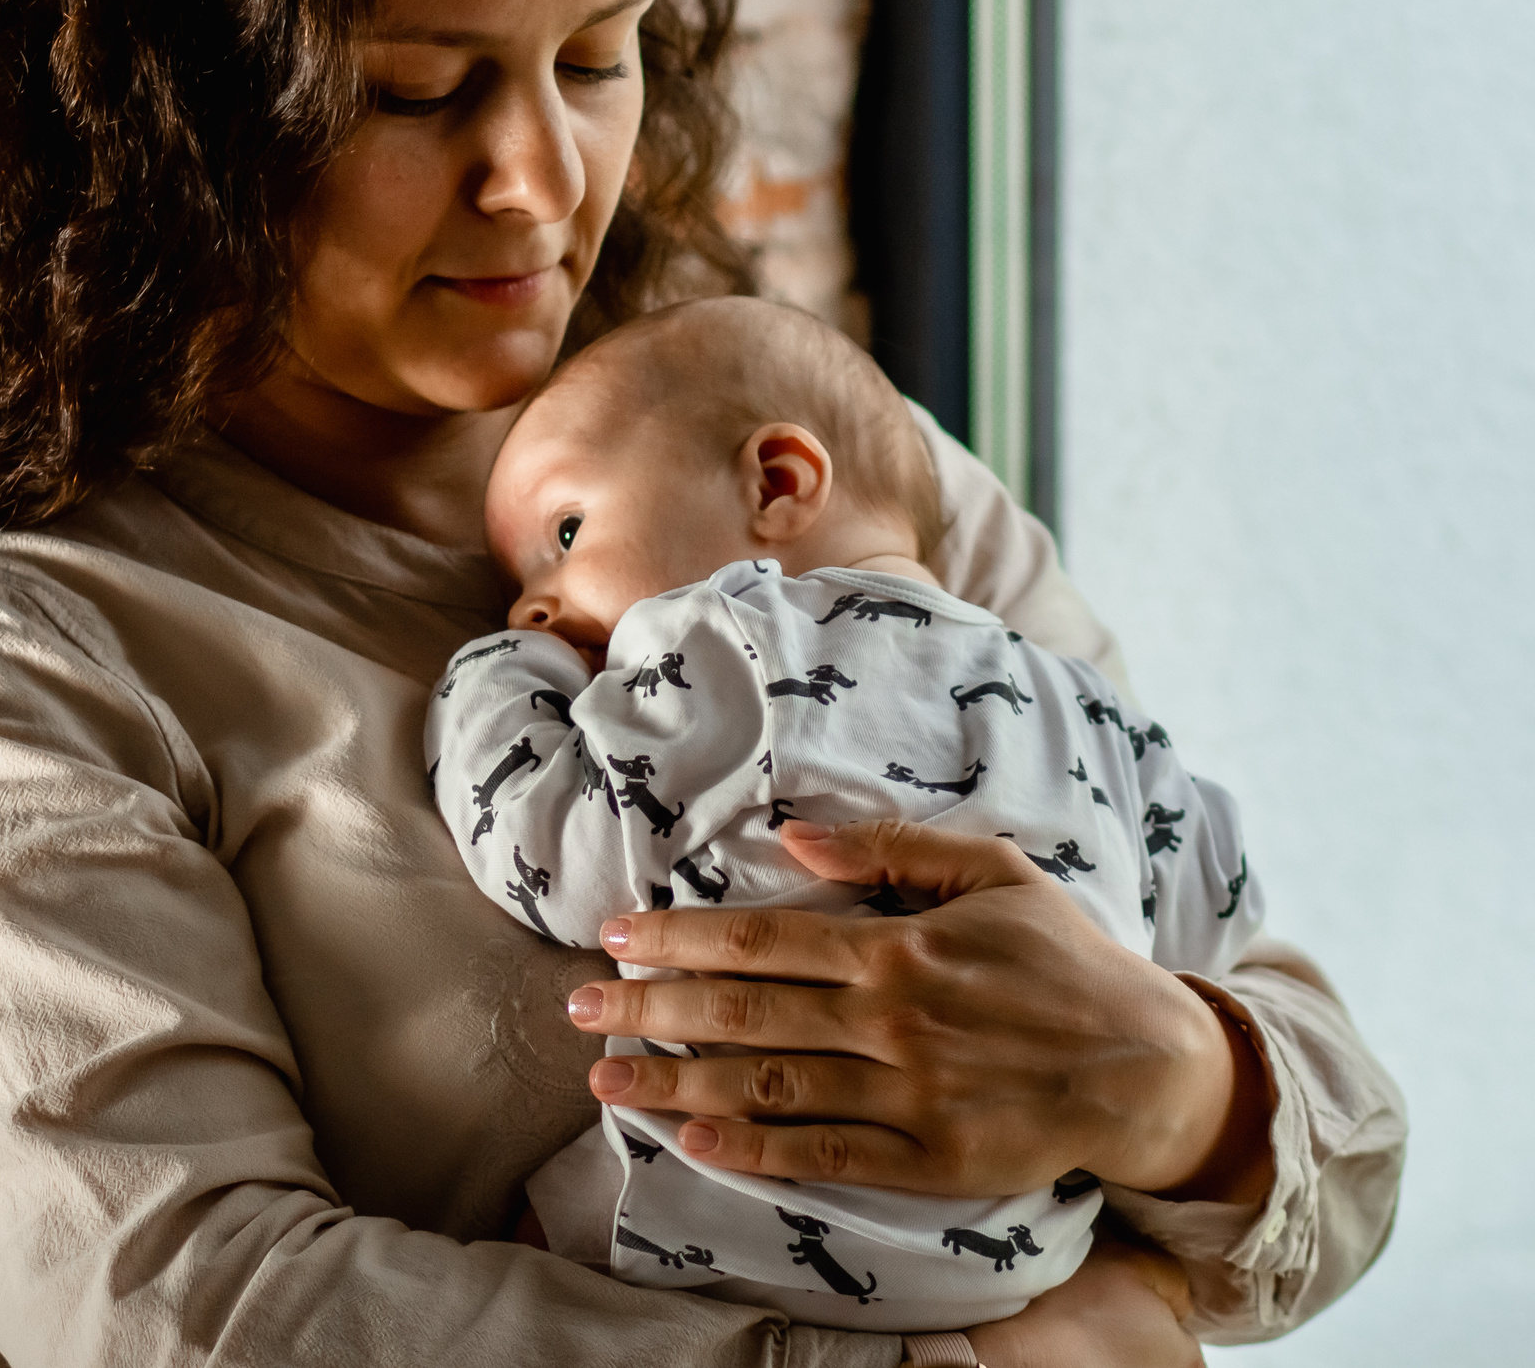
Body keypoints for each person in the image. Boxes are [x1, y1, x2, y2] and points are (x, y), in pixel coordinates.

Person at [0, 0, 1407, 1366]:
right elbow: (192, 1315)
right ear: (171, 101)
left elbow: (1335, 1129)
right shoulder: (27, 662)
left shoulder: (811, 477)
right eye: (420, 89)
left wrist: (1173, 1082)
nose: (540, 178)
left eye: (599, 57)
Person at [428, 297, 1266, 1334]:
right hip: (1024, 1254)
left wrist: (495, 680)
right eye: (526, 586)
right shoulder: (1091, 708)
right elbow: (1215, 914)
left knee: (504, 1265)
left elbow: (559, 861)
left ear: (777, 484)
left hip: (740, 1206)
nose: (533, 603)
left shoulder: (732, 642)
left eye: (565, 532)